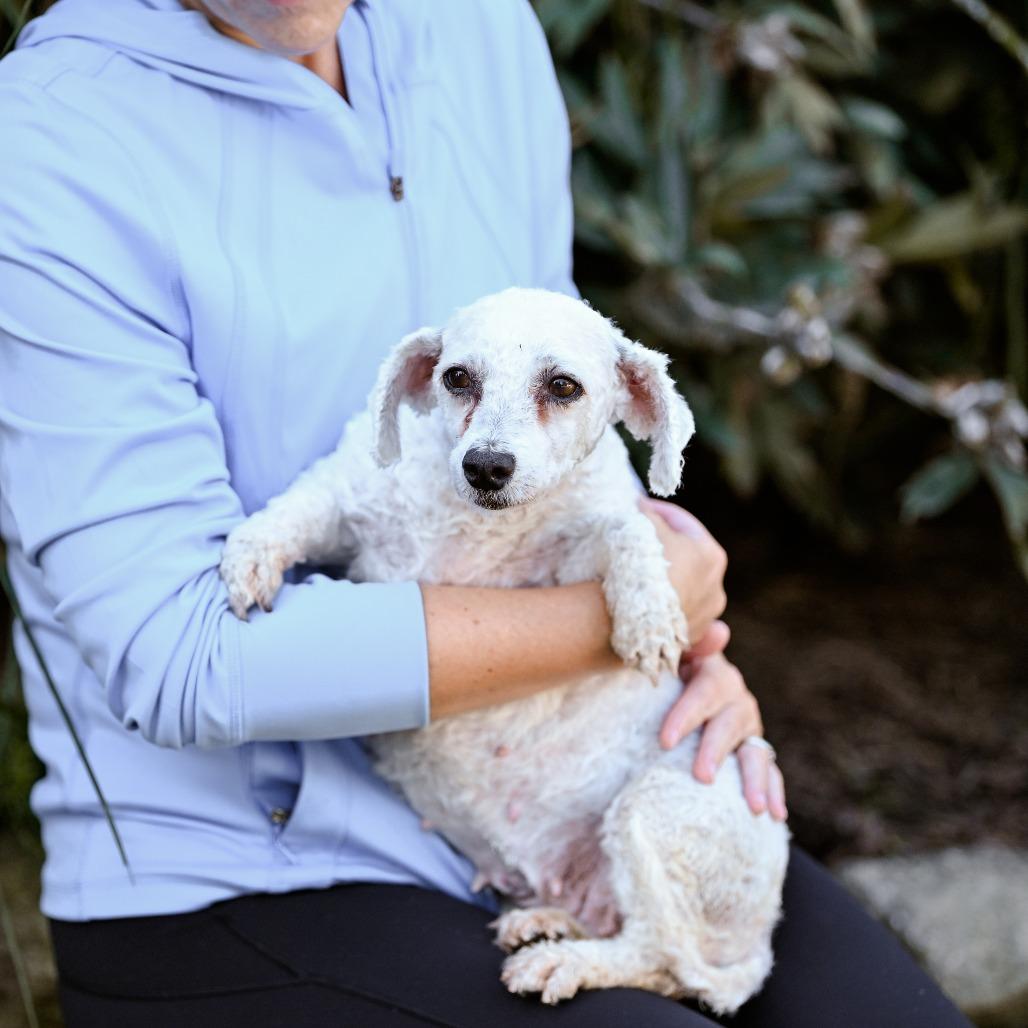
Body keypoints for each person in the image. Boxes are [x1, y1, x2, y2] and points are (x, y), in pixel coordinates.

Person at [0, 1, 969, 1024]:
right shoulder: (49, 139)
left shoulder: (477, 25)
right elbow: (178, 650)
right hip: (248, 876)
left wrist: (675, 673)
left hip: (566, 803)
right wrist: (617, 625)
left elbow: (566, 417)